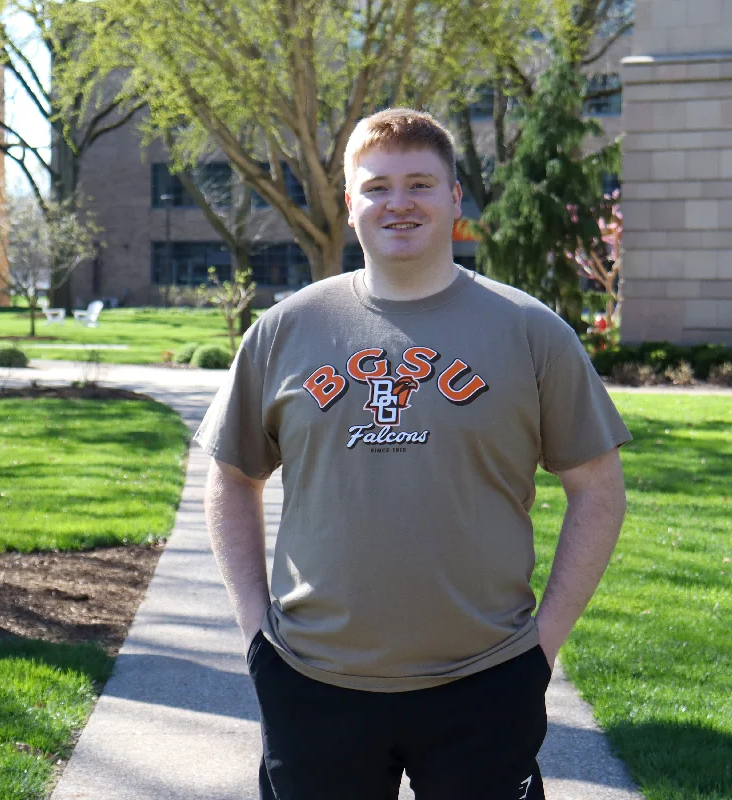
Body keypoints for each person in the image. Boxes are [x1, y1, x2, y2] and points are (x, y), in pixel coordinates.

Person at [194, 108, 631, 800]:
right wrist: (256, 634)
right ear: (349, 204)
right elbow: (228, 479)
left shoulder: (531, 332)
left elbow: (599, 490)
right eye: (377, 187)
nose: (398, 203)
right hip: (312, 683)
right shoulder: (285, 330)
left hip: (487, 683)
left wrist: (541, 648)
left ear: (456, 198)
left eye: (421, 184)